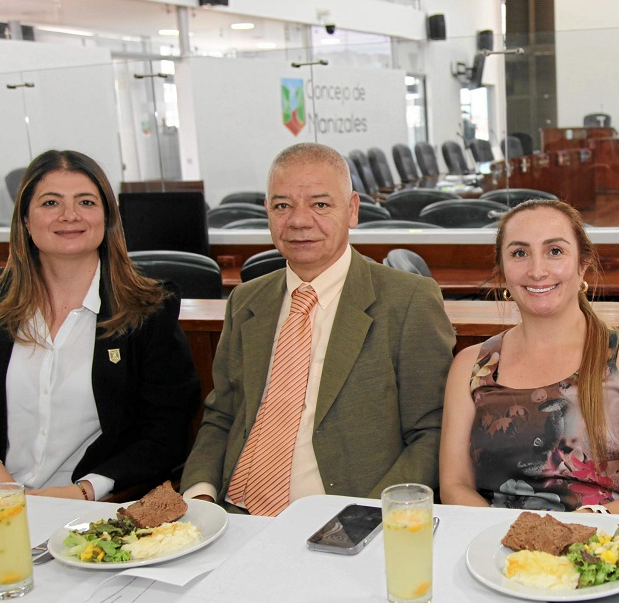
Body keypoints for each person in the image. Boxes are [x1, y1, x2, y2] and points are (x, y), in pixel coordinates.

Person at [180, 142, 454, 516]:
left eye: (320, 204)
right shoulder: (246, 300)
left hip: (345, 516)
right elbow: (222, 416)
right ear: (267, 211)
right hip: (234, 514)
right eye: (282, 206)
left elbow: (432, 433)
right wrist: (200, 498)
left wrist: (367, 515)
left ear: (352, 210)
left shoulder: (407, 300)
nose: (299, 221)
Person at [0, 150, 200, 501]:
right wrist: (1, 488)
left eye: (86, 202)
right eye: (51, 202)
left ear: (107, 218)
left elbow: (165, 431)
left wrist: (85, 491)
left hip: (89, 505)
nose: (69, 215)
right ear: (25, 220)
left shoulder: (149, 310)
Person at [439, 200, 619, 515]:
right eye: (519, 253)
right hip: (492, 539)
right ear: (503, 269)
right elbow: (454, 485)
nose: (537, 271)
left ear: (582, 265)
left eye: (555, 251)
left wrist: (583, 527)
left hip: (599, 539)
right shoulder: (470, 366)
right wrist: (506, 534)